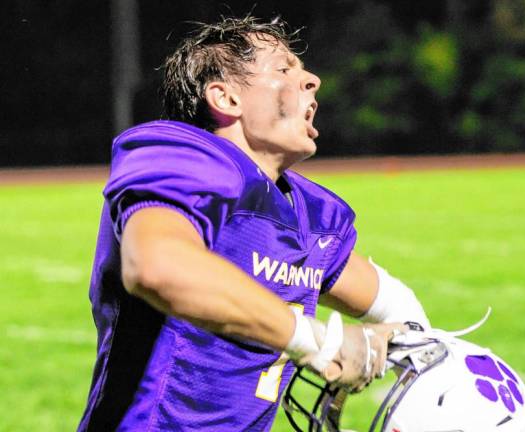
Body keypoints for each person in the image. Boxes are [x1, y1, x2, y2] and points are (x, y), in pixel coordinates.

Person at [78, 15, 431, 432]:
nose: (312, 79)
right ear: (225, 99)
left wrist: (431, 369)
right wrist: (318, 342)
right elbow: (157, 266)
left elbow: (394, 303)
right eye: (284, 68)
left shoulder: (307, 210)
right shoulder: (181, 156)